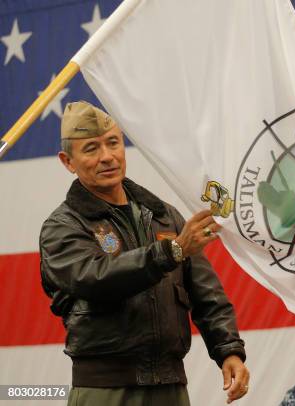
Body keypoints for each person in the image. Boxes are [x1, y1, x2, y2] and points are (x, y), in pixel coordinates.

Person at [39, 101, 250, 405]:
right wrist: (172, 251)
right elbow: (95, 278)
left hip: (171, 388)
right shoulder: (62, 226)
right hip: (105, 391)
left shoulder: (165, 217)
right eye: (91, 149)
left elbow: (207, 295)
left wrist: (228, 349)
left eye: (113, 143)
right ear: (67, 161)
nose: (107, 156)